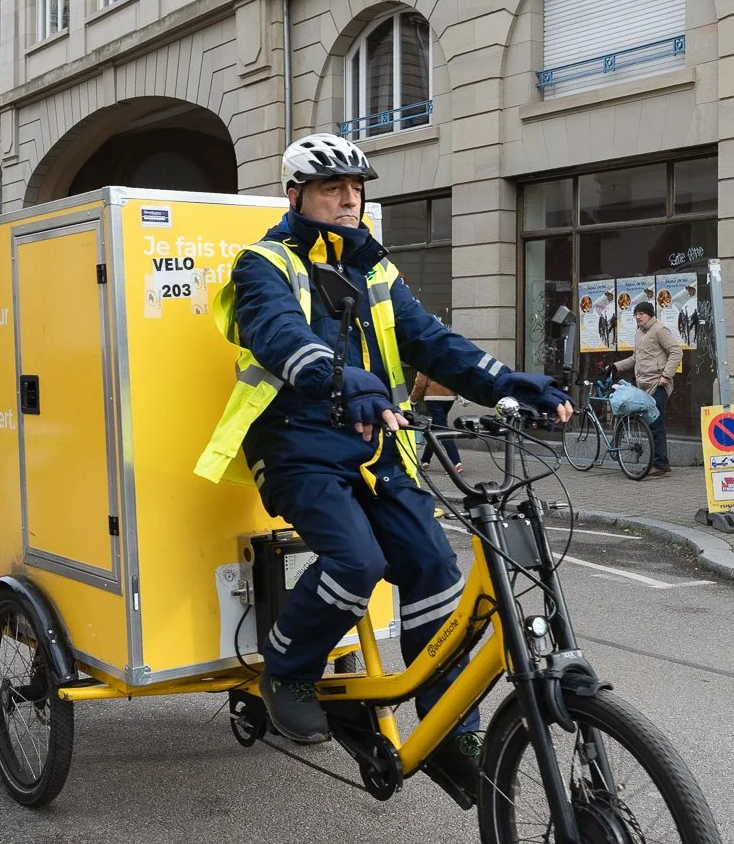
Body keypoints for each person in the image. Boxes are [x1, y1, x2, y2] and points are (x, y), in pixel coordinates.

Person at [193, 132, 571, 800]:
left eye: (355, 188)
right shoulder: (265, 266)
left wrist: (510, 385)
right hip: (297, 450)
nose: (347, 199)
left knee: (434, 569)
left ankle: (454, 727)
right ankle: (289, 665)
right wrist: (340, 378)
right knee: (359, 562)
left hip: (377, 451)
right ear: (296, 196)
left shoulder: (377, 270)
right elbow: (281, 335)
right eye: (331, 188)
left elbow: (434, 343)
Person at [613, 300, 682, 475]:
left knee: (656, 423)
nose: (638, 317)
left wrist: (666, 375)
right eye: (636, 314)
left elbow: (676, 351)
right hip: (643, 385)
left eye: (641, 313)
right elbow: (635, 358)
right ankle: (663, 462)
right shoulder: (639, 333)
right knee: (651, 424)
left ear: (650, 314)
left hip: (658, 384)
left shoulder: (659, 330)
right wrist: (615, 366)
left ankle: (659, 464)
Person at [410, 371, 462, 472]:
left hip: (433, 397)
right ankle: (425, 461)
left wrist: (413, 399)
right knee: (435, 428)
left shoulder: (426, 358)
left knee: (442, 428)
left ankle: (455, 463)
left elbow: (420, 382)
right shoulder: (448, 357)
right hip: (450, 396)